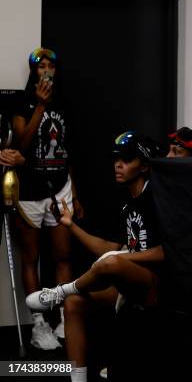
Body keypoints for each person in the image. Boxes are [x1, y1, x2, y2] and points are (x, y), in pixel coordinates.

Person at [25, 131, 163, 382]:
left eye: (127, 160)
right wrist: (70, 225)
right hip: (128, 285)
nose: (118, 165)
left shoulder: (158, 199)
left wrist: (121, 258)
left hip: (154, 285)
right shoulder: (127, 204)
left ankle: (60, 291)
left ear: (144, 165)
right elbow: (108, 247)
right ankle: (78, 379)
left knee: (110, 261)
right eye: (116, 159)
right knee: (74, 304)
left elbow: (166, 252)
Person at [13, 47, 83, 350]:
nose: (45, 70)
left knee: (63, 256)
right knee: (31, 258)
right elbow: (20, 147)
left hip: (61, 186)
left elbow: (69, 152)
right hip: (29, 190)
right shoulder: (22, 101)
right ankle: (39, 324)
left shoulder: (65, 103)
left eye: (50, 65)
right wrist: (39, 106)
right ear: (33, 71)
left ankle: (64, 318)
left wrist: (75, 192)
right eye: (39, 65)